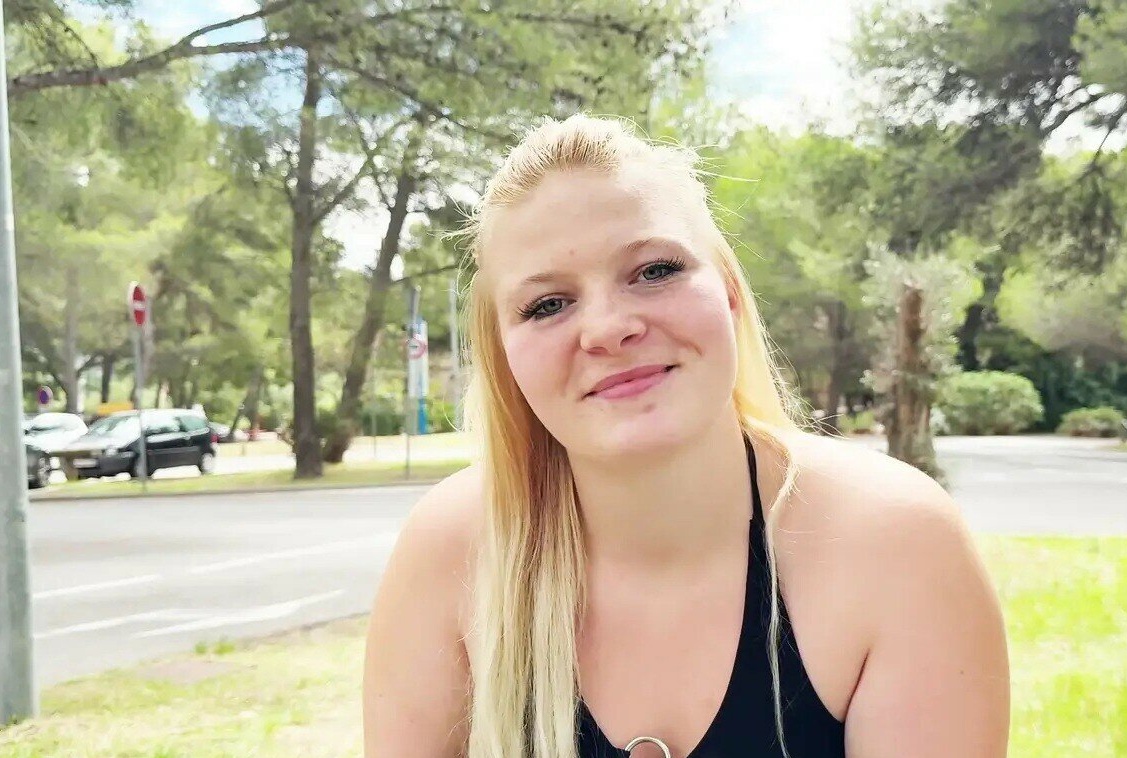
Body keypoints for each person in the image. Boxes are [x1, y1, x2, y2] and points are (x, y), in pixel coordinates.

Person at [362, 114, 1010, 758]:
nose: (608, 329)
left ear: (728, 293)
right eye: (547, 305)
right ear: (502, 354)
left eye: (654, 271)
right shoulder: (450, 551)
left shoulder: (896, 543)